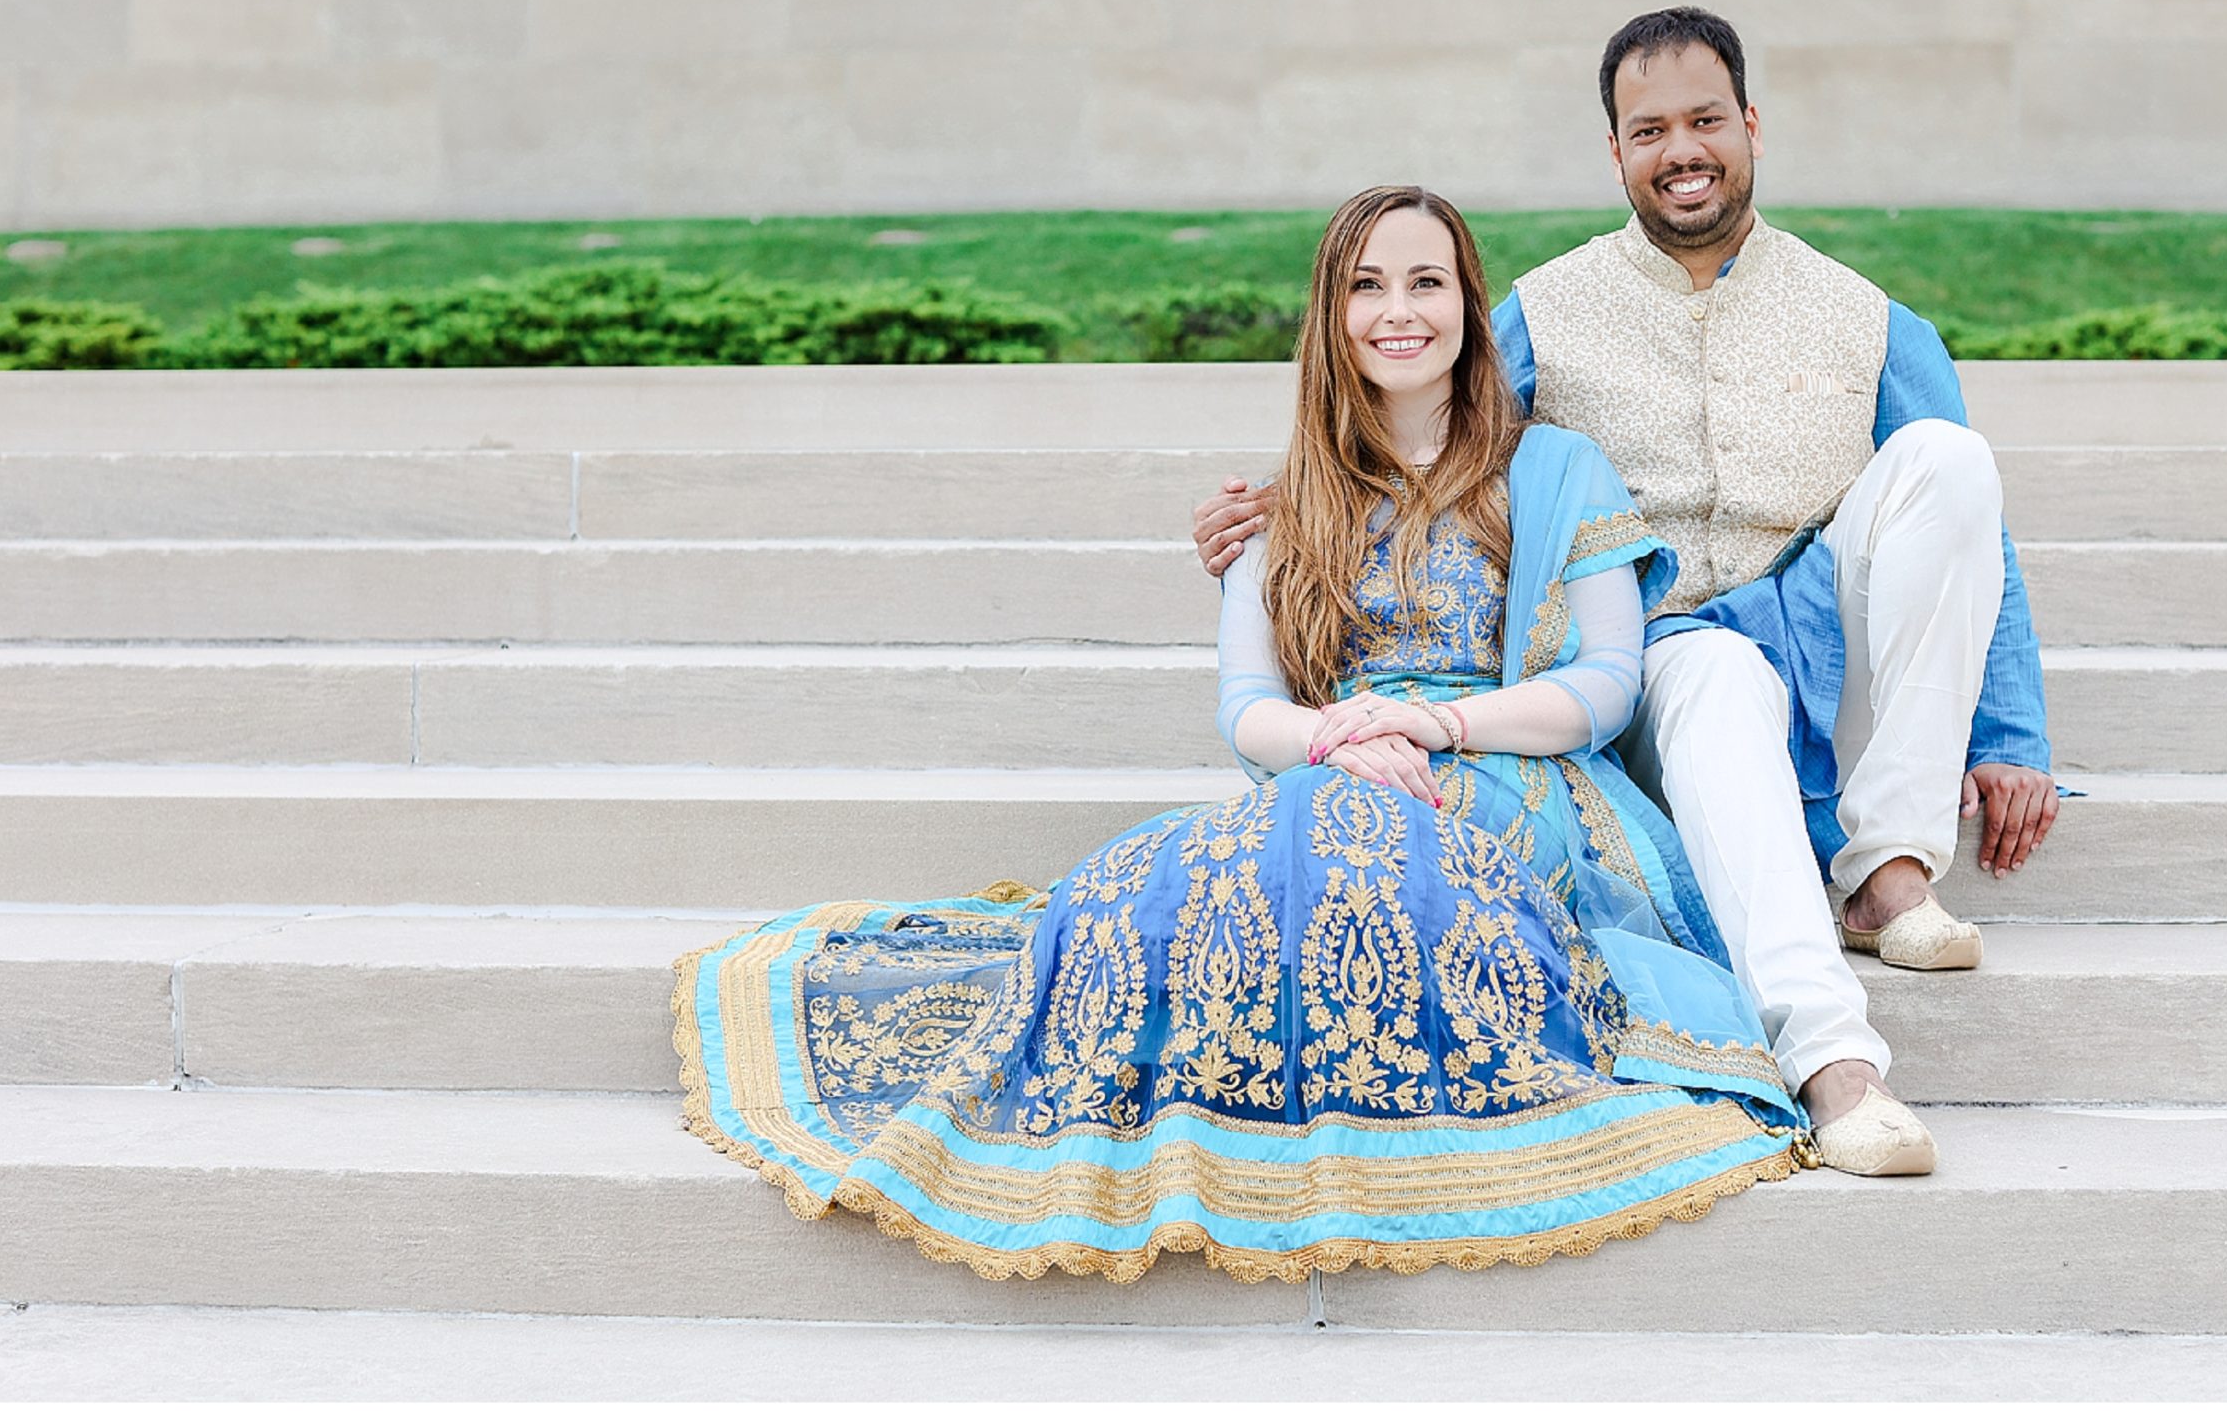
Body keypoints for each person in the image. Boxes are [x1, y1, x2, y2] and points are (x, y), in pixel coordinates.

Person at [673, 185, 1806, 1282]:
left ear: (1469, 304)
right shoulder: (1289, 502)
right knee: (1153, 897)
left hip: (1517, 773)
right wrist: (1334, 741)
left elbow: (1606, 682)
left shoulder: (1555, 471)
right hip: (1328, 772)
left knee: (1363, 858)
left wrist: (1429, 719)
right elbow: (1247, 709)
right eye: (1367, 286)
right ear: (1332, 315)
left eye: (1425, 282)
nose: (1398, 311)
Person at [1196, 9, 2058, 1177]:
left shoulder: (1865, 316)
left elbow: (1972, 535)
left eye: (1705, 120)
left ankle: (1887, 867)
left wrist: (2007, 732)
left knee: (1950, 460)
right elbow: (1408, 392)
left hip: (1824, 646)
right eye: (1649, 129)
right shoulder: (1547, 310)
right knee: (1706, 667)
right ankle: (1830, 1061)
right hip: (1664, 662)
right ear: (1616, 152)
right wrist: (1284, 511)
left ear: (1749, 126)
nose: (1681, 148)